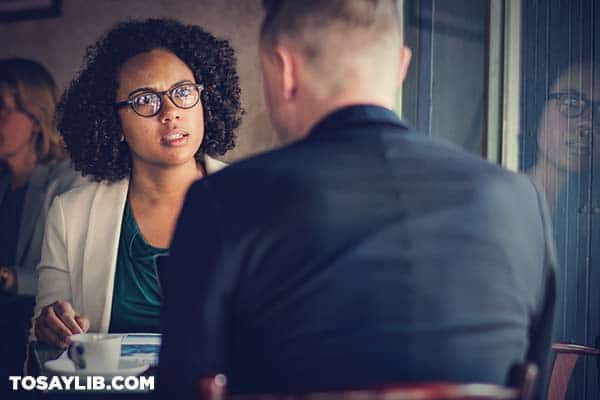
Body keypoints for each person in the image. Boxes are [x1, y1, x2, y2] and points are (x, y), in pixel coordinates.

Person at [159, 1, 556, 398]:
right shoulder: (518, 201)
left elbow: (183, 386)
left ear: (285, 70)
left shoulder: (224, 200)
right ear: (401, 66)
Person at [31, 18, 243, 349]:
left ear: (205, 102)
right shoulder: (69, 215)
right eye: (145, 100)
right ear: (113, 122)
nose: (170, 112)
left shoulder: (252, 198)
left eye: (183, 92)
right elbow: (43, 339)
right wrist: (49, 328)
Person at [0, 58, 84, 296]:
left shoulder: (71, 181)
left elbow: (78, 281)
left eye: (0, 107)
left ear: (36, 120)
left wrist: (7, 278)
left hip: (38, 326)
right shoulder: (4, 181)